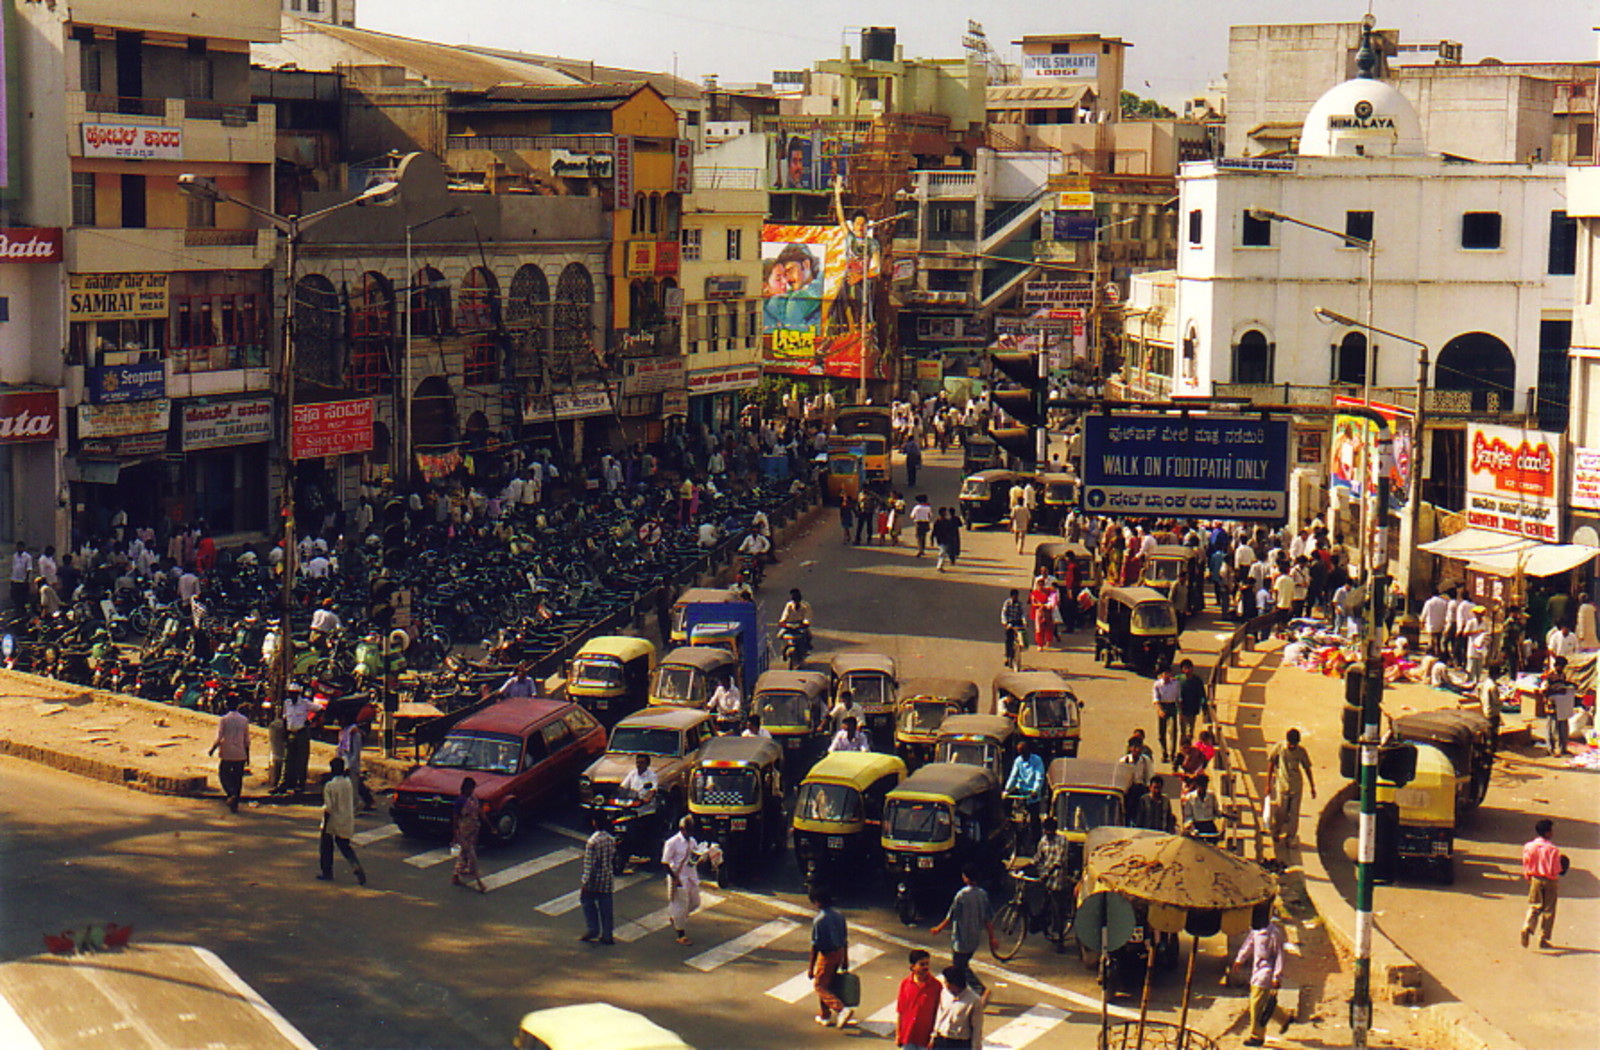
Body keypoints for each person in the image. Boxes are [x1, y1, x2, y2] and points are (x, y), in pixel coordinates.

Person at [930, 864, 997, 996]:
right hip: (974, 938)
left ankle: (980, 990)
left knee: (960, 967)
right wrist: (992, 937)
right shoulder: (982, 895)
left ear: (965, 878)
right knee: (961, 965)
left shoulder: (961, 895)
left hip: (961, 939)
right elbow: (988, 919)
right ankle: (960, 990)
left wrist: (939, 928)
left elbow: (951, 916)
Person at [1232, 910, 1292, 1046]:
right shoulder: (1256, 931)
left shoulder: (1274, 934)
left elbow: (1280, 956)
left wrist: (1277, 976)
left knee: (1255, 1005)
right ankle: (1284, 1018)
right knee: (1262, 1001)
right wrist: (1239, 960)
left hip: (1266, 974)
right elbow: (1249, 944)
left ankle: (1256, 1036)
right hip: (1256, 972)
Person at [1266, 728, 1316, 860]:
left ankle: (1291, 837)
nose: (1292, 746)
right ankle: (1276, 831)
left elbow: (1307, 768)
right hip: (1282, 785)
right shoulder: (1279, 748)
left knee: (1294, 814)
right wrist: (1268, 784)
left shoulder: (1301, 752)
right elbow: (1271, 762)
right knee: (1281, 811)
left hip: (1296, 786)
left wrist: (1312, 786)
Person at [316, 757, 367, 886]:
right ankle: (355, 864)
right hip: (346, 819)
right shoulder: (348, 783)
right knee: (344, 846)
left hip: (332, 821)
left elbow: (329, 807)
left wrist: (325, 826)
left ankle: (327, 872)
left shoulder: (330, 786)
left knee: (326, 848)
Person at [809, 889, 854, 1027]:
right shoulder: (839, 916)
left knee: (820, 986)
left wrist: (811, 967)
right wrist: (845, 958)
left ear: (817, 902)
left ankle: (841, 1009)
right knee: (828, 984)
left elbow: (815, 946)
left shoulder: (819, 920)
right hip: (839, 952)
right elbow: (844, 939)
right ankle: (825, 1015)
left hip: (826, 956)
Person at [1520, 818, 1565, 949]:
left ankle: (1528, 926)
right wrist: (1561, 870)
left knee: (1534, 905)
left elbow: (1526, 863)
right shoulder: (1553, 850)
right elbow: (1556, 869)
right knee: (1549, 910)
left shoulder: (1529, 846)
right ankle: (1544, 939)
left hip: (1535, 878)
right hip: (1550, 880)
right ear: (1547, 833)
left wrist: (1528, 875)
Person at [662, 815, 705, 945]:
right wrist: (675, 878)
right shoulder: (672, 842)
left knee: (695, 902)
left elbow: (693, 857)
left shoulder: (692, 841)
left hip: (691, 877)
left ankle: (676, 917)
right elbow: (665, 862)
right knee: (681, 905)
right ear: (682, 829)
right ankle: (681, 934)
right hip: (679, 878)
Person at [579, 812, 616, 945]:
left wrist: (585, 882)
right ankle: (607, 934)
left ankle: (593, 929)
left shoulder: (592, 842)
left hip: (594, 880)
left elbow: (590, 865)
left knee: (587, 902)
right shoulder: (611, 839)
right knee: (606, 907)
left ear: (594, 823)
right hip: (607, 878)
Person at [208, 699, 251, 813]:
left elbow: (219, 736)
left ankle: (230, 793)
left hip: (227, 751)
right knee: (238, 778)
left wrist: (212, 748)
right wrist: (248, 755)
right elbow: (247, 739)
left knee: (224, 774)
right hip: (240, 752)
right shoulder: (244, 720)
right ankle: (235, 798)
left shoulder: (224, 719)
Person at [619, 753, 660, 872]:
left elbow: (652, 791)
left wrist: (647, 799)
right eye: (638, 762)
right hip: (632, 809)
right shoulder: (632, 774)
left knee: (646, 835)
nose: (639, 765)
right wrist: (619, 795)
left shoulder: (652, 776)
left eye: (642, 763)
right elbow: (623, 787)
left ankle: (648, 856)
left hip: (646, 811)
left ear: (647, 764)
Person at [896, 949, 942, 1050]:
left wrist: (934, 1037)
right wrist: (898, 1034)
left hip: (925, 1038)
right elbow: (900, 1011)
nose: (926, 967)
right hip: (908, 1036)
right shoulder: (905, 984)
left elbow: (939, 1013)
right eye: (922, 964)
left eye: (927, 964)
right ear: (912, 967)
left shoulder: (936, 986)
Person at [930, 965, 985, 1049]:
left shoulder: (974, 1000)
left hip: (960, 1043)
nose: (945, 984)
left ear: (955, 984)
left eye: (947, 982)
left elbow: (977, 1029)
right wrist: (933, 1037)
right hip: (941, 1040)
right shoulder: (944, 993)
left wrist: (976, 1047)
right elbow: (939, 1015)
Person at [275, 686, 317, 795]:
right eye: (290, 693)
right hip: (290, 733)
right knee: (287, 759)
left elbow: (320, 709)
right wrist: (284, 734)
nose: (291, 695)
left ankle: (300, 784)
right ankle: (283, 784)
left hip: (301, 733)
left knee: (301, 759)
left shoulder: (304, 703)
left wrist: (310, 721)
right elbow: (285, 719)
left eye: (293, 693)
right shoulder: (287, 704)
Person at [450, 777, 487, 893]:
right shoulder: (460, 801)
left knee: (464, 853)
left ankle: (456, 874)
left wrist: (489, 825)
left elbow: (480, 812)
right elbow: (455, 817)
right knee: (471, 855)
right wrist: (455, 832)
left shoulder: (473, 799)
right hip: (464, 830)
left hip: (473, 829)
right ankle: (478, 881)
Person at [336, 714, 375, 811]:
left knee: (353, 787)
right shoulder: (344, 733)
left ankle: (355, 807)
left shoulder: (355, 734)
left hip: (351, 765)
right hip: (344, 764)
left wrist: (350, 766)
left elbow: (356, 752)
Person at [1542, 657, 1576, 757]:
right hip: (1552, 705)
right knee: (1552, 728)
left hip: (1562, 705)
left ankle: (1563, 748)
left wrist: (1570, 685)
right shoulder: (1549, 675)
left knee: (1563, 728)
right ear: (1556, 665)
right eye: (1561, 666)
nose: (1562, 668)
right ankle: (1550, 749)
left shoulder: (1562, 675)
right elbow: (1544, 691)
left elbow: (1563, 683)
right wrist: (1557, 691)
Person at [1181, 772, 1222, 841]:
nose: (1203, 788)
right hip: (1197, 825)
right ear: (1197, 785)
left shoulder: (1211, 795)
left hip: (1209, 825)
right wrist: (1190, 827)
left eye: (1205, 785)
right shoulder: (1190, 797)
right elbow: (1188, 816)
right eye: (1201, 785)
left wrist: (1225, 815)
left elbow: (1216, 811)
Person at [1151, 668, 1181, 763]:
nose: (1166, 676)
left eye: (1168, 673)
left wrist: (1180, 711)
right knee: (1161, 732)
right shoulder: (1158, 684)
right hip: (1162, 706)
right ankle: (1164, 753)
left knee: (1173, 731)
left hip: (1172, 706)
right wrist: (1159, 710)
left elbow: (1178, 698)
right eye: (1165, 674)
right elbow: (1156, 699)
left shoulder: (1175, 684)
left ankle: (1172, 753)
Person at [1177, 659, 1208, 747]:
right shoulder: (1178, 680)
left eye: (1189, 668)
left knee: (1190, 731)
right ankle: (1182, 748)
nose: (1187, 670)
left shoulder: (1197, 680)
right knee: (1182, 731)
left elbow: (1202, 694)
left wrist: (1204, 706)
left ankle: (1188, 747)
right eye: (1185, 668)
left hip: (1193, 708)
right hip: (1182, 709)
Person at [1000, 589, 1027, 667]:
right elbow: (1004, 613)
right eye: (1014, 596)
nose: (1015, 598)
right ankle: (1008, 657)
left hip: (1018, 622)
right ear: (1011, 596)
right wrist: (1005, 623)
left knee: (1022, 637)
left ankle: (1019, 649)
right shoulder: (1007, 603)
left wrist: (1024, 622)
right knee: (1009, 640)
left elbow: (1023, 613)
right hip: (1010, 623)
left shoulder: (1020, 604)